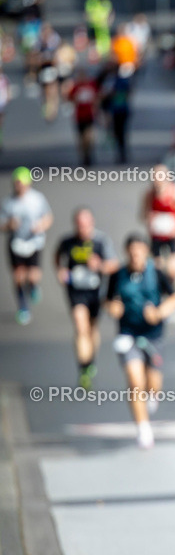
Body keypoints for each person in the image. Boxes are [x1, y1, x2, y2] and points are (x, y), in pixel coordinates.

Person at [105, 234, 175, 449]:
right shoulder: (118, 275)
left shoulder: (156, 274)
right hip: (128, 335)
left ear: (146, 252)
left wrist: (159, 313)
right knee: (134, 379)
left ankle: (152, 396)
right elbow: (109, 301)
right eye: (132, 250)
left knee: (153, 384)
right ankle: (143, 428)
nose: (136, 255)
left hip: (153, 336)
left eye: (139, 250)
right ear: (127, 252)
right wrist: (113, 309)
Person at [55, 208, 119, 388]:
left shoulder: (100, 241)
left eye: (85, 225)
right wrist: (60, 271)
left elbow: (114, 265)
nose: (82, 229)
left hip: (95, 291)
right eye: (79, 225)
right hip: (76, 291)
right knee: (80, 326)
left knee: (92, 329)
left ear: (92, 223)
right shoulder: (67, 242)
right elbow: (57, 257)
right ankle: (83, 367)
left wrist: (99, 265)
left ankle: (90, 361)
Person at [0, 167, 53, 324]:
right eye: (17, 183)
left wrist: (41, 226)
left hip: (34, 242)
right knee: (18, 276)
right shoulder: (8, 203)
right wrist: (9, 225)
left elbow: (48, 217)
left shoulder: (37, 199)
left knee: (33, 274)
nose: (19, 186)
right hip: (16, 243)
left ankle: (33, 285)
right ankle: (23, 306)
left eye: (22, 183)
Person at [141, 165, 175, 280]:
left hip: (173, 236)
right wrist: (150, 219)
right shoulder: (149, 195)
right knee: (156, 267)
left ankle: (171, 284)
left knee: (173, 268)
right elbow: (143, 214)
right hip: (156, 236)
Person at [66, 68, 99, 166]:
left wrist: (97, 110)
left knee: (89, 136)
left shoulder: (91, 85)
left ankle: (89, 153)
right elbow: (70, 98)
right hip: (79, 116)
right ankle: (84, 156)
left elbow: (97, 97)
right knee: (81, 139)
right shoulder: (76, 87)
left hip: (89, 115)